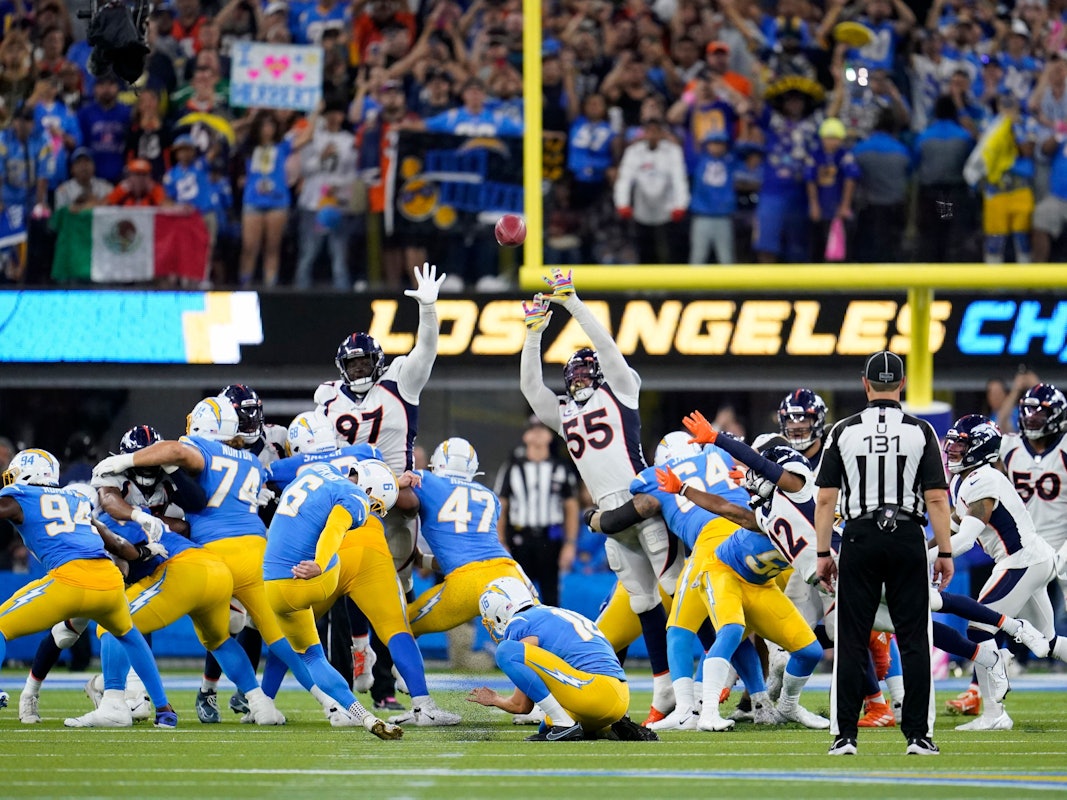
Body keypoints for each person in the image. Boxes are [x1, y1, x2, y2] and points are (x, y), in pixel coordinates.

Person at [91, 397, 328, 721]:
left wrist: (125, 463)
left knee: (115, 621)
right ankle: (312, 703)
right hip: (256, 549)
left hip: (206, 555)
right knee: (273, 635)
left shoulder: (194, 452)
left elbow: (178, 466)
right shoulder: (250, 460)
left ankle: (121, 700)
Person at [520, 268, 683, 724]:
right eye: (574, 375)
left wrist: (572, 303)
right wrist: (533, 335)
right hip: (610, 517)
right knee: (644, 602)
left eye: (586, 373)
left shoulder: (622, 390)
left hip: (642, 503)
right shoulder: (566, 412)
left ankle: (719, 676)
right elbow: (532, 390)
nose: (579, 381)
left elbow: (609, 349)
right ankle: (667, 688)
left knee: (678, 592)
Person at [313, 261, 445, 710]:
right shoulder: (327, 397)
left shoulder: (400, 382)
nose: (360, 368)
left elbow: (426, 351)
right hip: (348, 500)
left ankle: (386, 687)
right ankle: (349, 679)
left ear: (379, 361)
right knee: (343, 587)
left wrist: (428, 310)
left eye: (366, 360)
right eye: (353, 363)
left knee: (393, 595)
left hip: (392, 503)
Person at [814, 350, 954, 757]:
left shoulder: (843, 430)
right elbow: (937, 498)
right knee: (914, 639)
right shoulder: (921, 430)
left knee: (852, 639)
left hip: (859, 535)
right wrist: (944, 550)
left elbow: (825, 500)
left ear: (865, 383)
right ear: (903, 384)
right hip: (908, 535)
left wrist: (824, 551)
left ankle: (844, 736)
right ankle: (918, 736)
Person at [586, 430, 751, 731]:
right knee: (742, 624)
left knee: (672, 625)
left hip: (696, 561)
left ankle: (690, 701)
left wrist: (593, 519)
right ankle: (758, 698)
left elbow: (627, 514)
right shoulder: (717, 457)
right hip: (747, 542)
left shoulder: (653, 478)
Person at [0, 448, 174, 727]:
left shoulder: (20, 497)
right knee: (130, 636)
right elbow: (114, 543)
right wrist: (144, 552)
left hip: (70, 579)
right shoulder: (76, 498)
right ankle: (165, 710)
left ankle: (30, 694)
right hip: (108, 580)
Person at [263, 460, 403, 739]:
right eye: (374, 506)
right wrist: (320, 563)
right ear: (370, 490)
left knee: (313, 657)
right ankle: (361, 643)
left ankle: (361, 715)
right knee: (349, 558)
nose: (370, 512)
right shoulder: (356, 496)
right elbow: (336, 527)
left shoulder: (316, 469)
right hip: (312, 580)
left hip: (273, 587)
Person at [945, 414, 1067, 728]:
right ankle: (1018, 640)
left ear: (979, 447)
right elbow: (952, 529)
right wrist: (924, 543)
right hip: (1031, 559)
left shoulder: (983, 478)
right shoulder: (965, 479)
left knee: (979, 627)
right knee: (1049, 642)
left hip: (1021, 561)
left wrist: (921, 557)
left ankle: (994, 714)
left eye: (961, 443)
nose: (953, 449)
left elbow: (964, 541)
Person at [467, 577, 656, 742]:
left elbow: (520, 705)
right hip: (618, 698)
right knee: (545, 725)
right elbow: (523, 705)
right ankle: (609, 728)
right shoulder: (552, 614)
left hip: (594, 692)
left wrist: (497, 699)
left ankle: (563, 724)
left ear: (500, 612)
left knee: (506, 650)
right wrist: (496, 700)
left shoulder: (521, 622)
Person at [406, 437, 533, 637]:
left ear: (437, 462)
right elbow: (476, 551)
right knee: (534, 630)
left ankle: (386, 668)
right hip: (509, 572)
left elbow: (468, 560)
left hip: (464, 582)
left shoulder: (425, 480)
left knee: (402, 627)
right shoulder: (489, 496)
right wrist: (424, 561)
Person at [1000, 384, 1067, 629]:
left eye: (1040, 413)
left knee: (1061, 614)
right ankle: (1024, 658)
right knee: (1018, 610)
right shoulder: (1008, 447)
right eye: (1028, 412)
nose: (1032, 418)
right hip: (1024, 544)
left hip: (1062, 543)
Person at [494, 418, 580, 608]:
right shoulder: (512, 467)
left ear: (550, 436)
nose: (538, 433)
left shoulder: (562, 468)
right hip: (520, 538)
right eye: (533, 429)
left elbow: (571, 508)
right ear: (525, 436)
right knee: (519, 596)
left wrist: (570, 544)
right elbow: (502, 505)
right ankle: (520, 637)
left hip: (551, 539)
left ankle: (550, 638)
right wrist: (501, 542)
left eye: (542, 429)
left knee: (551, 597)